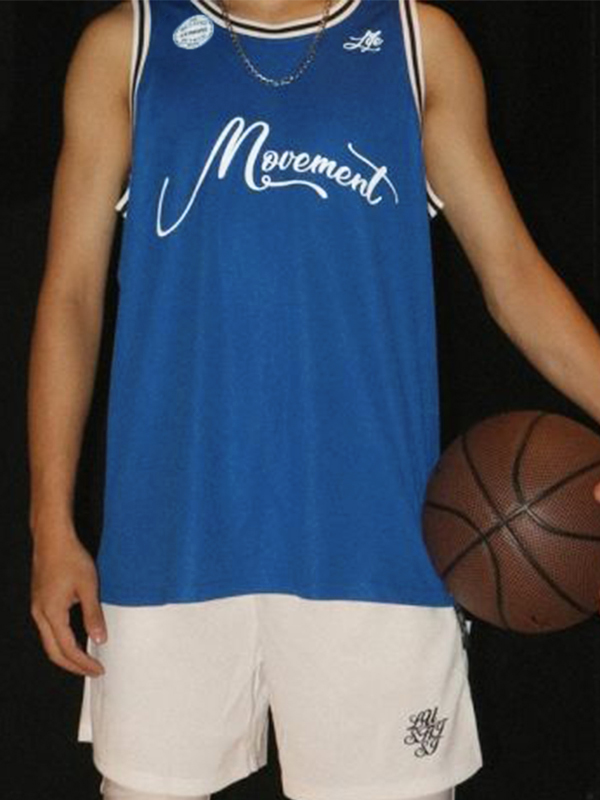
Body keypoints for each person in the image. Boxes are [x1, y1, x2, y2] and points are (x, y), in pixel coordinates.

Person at [27, 1, 600, 799]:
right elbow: (71, 298)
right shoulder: (128, 46)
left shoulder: (416, 42)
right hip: (168, 539)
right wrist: (49, 524)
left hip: (375, 543)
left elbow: (513, 274)